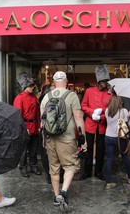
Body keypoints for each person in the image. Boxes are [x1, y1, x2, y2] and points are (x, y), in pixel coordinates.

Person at [40, 71, 87, 211]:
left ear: (54, 82)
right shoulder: (71, 95)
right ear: (66, 81)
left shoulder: (46, 97)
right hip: (67, 138)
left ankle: (56, 196)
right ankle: (64, 192)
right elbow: (78, 118)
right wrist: (83, 139)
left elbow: (42, 122)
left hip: (50, 138)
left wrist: (43, 139)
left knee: (53, 168)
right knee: (70, 166)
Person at [80, 65, 112, 181]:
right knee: (88, 149)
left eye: (106, 81)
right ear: (99, 81)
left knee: (101, 150)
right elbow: (83, 106)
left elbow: (111, 111)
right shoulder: (89, 91)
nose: (106, 83)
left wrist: (102, 117)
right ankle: (86, 172)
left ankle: (98, 171)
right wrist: (92, 112)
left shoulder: (110, 93)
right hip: (90, 124)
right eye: (104, 81)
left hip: (102, 125)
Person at [14, 72, 41, 177]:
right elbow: (17, 115)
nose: (32, 87)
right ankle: (23, 167)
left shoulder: (34, 97)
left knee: (33, 149)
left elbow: (37, 113)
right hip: (25, 125)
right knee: (23, 150)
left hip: (34, 125)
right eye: (30, 86)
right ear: (25, 86)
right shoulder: (19, 98)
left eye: (32, 85)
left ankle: (33, 166)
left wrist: (38, 126)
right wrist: (23, 128)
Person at [104, 94, 130, 189]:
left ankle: (108, 182)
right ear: (119, 102)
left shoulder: (107, 111)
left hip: (108, 136)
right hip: (120, 138)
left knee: (109, 159)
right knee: (125, 157)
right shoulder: (124, 111)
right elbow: (128, 124)